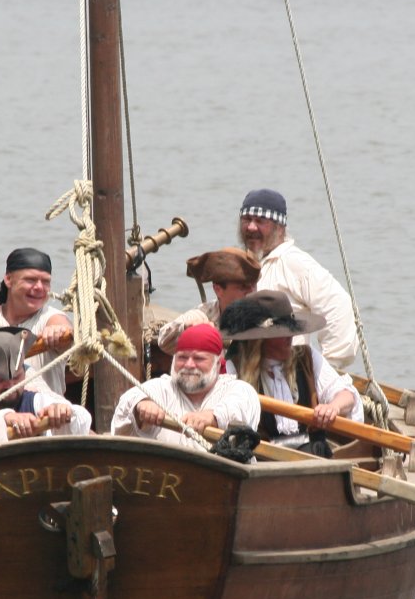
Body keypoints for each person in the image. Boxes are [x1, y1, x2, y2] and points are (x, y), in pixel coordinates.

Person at [220, 290, 362, 456]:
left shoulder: (306, 357)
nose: (290, 337)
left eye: (290, 331)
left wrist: (333, 407)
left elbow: (346, 395)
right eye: (281, 334)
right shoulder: (233, 369)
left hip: (314, 458)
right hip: (261, 462)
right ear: (259, 340)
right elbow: (226, 414)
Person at [237, 188, 359, 370]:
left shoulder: (294, 262)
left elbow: (339, 306)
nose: (251, 227)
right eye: (246, 219)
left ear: (280, 228)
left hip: (287, 375)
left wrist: (325, 370)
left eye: (260, 221)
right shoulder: (247, 263)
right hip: (250, 370)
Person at [111, 323, 260, 450]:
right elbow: (129, 401)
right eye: (182, 357)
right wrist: (141, 405)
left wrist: (212, 417)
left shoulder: (237, 389)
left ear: (216, 363)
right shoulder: (162, 386)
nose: (189, 365)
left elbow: (239, 406)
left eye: (199, 358)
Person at [0, 327, 92, 454]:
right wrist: (3, 418)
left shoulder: (35, 401)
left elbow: (82, 420)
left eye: (17, 377)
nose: (11, 386)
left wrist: (64, 411)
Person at [0, 247, 73, 394]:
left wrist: (57, 331)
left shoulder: (50, 317)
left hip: (47, 412)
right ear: (8, 279)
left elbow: (64, 328)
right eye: (30, 280)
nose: (39, 287)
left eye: (46, 282)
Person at [155, 247, 261, 355]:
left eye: (253, 285)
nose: (251, 292)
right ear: (218, 290)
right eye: (243, 287)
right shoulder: (204, 314)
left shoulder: (264, 317)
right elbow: (164, 341)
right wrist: (187, 328)